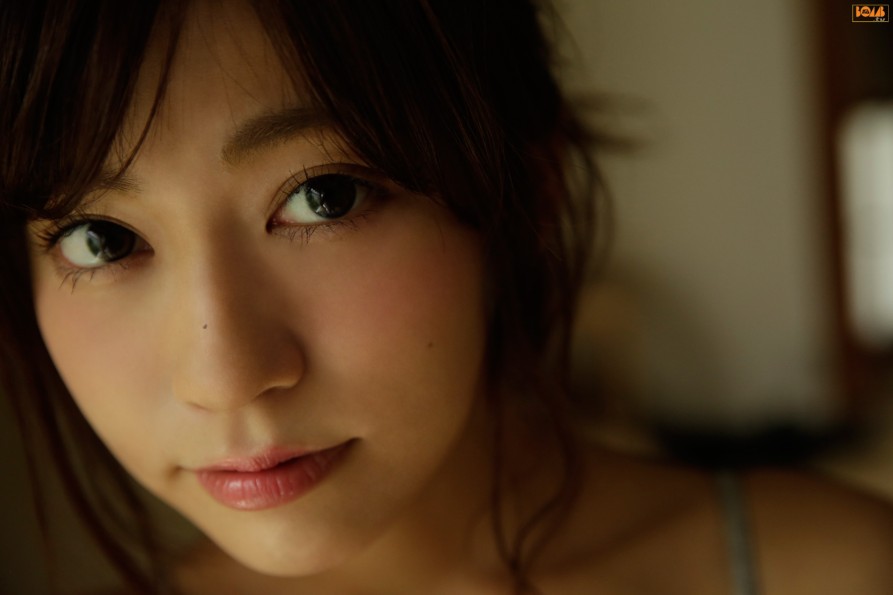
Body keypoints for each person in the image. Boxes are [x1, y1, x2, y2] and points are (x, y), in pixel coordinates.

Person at [2, 1, 893, 594]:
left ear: (526, 191)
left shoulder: (839, 571)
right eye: (101, 238)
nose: (225, 373)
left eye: (323, 197)